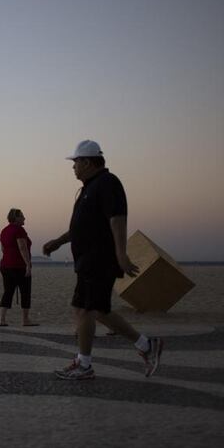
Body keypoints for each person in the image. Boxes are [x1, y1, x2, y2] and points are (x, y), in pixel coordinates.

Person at [43, 140, 163, 380]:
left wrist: (121, 253)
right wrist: (58, 241)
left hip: (99, 259)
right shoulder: (89, 187)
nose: (73, 167)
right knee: (93, 309)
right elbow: (80, 227)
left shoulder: (108, 183)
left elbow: (117, 218)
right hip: (87, 260)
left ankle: (84, 365)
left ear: (87, 162)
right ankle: (146, 345)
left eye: (75, 162)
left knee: (88, 310)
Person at [0, 208, 37, 327]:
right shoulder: (19, 230)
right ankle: (25, 320)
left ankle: (1, 319)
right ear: (16, 218)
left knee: (8, 292)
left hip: (5, 265)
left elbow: (3, 249)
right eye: (22, 216)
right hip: (18, 266)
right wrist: (28, 265)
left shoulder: (4, 231)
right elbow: (22, 247)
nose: (24, 218)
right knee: (25, 292)